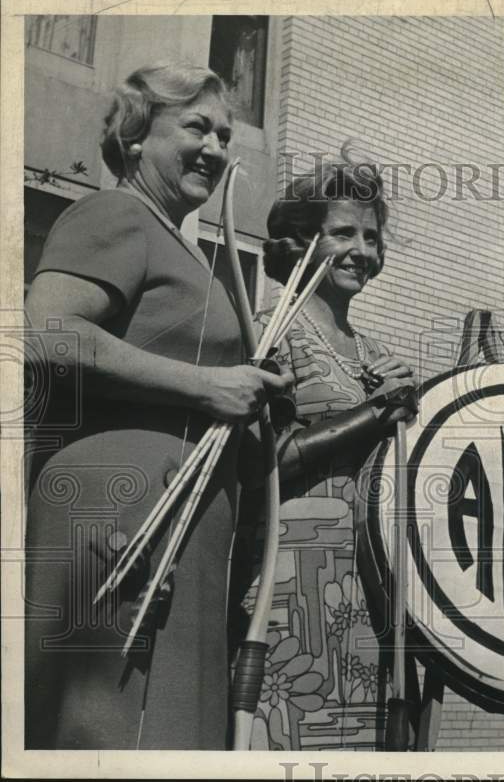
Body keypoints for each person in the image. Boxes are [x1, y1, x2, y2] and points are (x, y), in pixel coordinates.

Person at [23, 62, 291, 749]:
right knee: (104, 733)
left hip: (178, 531)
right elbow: (45, 333)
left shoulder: (182, 245)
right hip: (119, 525)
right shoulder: (116, 213)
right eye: (196, 126)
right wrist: (208, 385)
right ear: (139, 136)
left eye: (226, 134)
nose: (216, 147)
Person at [235, 157, 418, 751]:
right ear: (300, 243)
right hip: (289, 587)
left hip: (371, 589)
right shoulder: (271, 331)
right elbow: (266, 463)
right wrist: (375, 414)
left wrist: (415, 410)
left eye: (371, 236)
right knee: (286, 739)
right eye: (343, 233)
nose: (361, 250)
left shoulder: (375, 350)